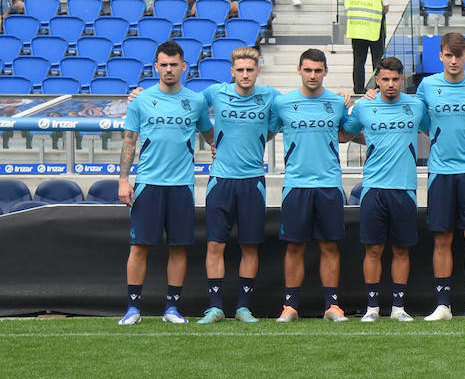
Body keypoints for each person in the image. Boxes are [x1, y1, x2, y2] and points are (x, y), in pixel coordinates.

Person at [117, 41, 214, 325]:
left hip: (181, 184)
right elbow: (129, 142)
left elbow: (209, 133)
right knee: (139, 247)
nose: (169, 69)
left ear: (184, 67)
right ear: (155, 66)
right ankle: (133, 308)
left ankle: (172, 308)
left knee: (179, 247)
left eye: (174, 64)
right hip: (148, 183)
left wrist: (216, 146)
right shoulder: (141, 100)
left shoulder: (195, 101)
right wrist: (123, 180)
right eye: (164, 64)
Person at [188, 48, 279, 324]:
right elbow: (186, 101)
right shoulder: (216, 93)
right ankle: (215, 307)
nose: (245, 75)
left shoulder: (269, 95)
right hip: (221, 181)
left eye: (250, 70)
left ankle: (243, 308)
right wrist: (211, 140)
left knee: (250, 247)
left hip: (253, 182)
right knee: (215, 245)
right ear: (232, 72)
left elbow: (297, 105)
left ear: (257, 71)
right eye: (240, 70)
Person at [341, 56, 427, 323]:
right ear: (377, 80)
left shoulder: (416, 106)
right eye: (385, 79)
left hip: (404, 189)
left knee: (402, 250)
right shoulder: (365, 107)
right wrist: (341, 108)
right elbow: (345, 134)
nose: (390, 84)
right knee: (373, 249)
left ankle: (399, 307)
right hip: (373, 188)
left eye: (395, 79)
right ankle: (372, 307)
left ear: (402, 80)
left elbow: (438, 126)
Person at [272, 49, 354, 323]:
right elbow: (264, 131)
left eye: (318, 70)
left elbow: (344, 135)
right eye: (308, 70)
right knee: (294, 246)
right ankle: (290, 307)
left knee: (330, 246)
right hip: (296, 185)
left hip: (329, 184)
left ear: (325, 72)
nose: (312, 75)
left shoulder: (337, 102)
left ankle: (332, 306)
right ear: (299, 70)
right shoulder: (283, 103)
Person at [416, 33, 465, 321]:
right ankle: (443, 305)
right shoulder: (427, 86)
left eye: (458, 55)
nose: (453, 60)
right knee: (442, 239)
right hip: (439, 172)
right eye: (448, 55)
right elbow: (423, 124)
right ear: (440, 56)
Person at [344, 0, 386, 91]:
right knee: (378, 62)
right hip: (374, 28)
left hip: (356, 29)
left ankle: (358, 90)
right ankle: (378, 88)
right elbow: (386, 7)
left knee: (358, 62)